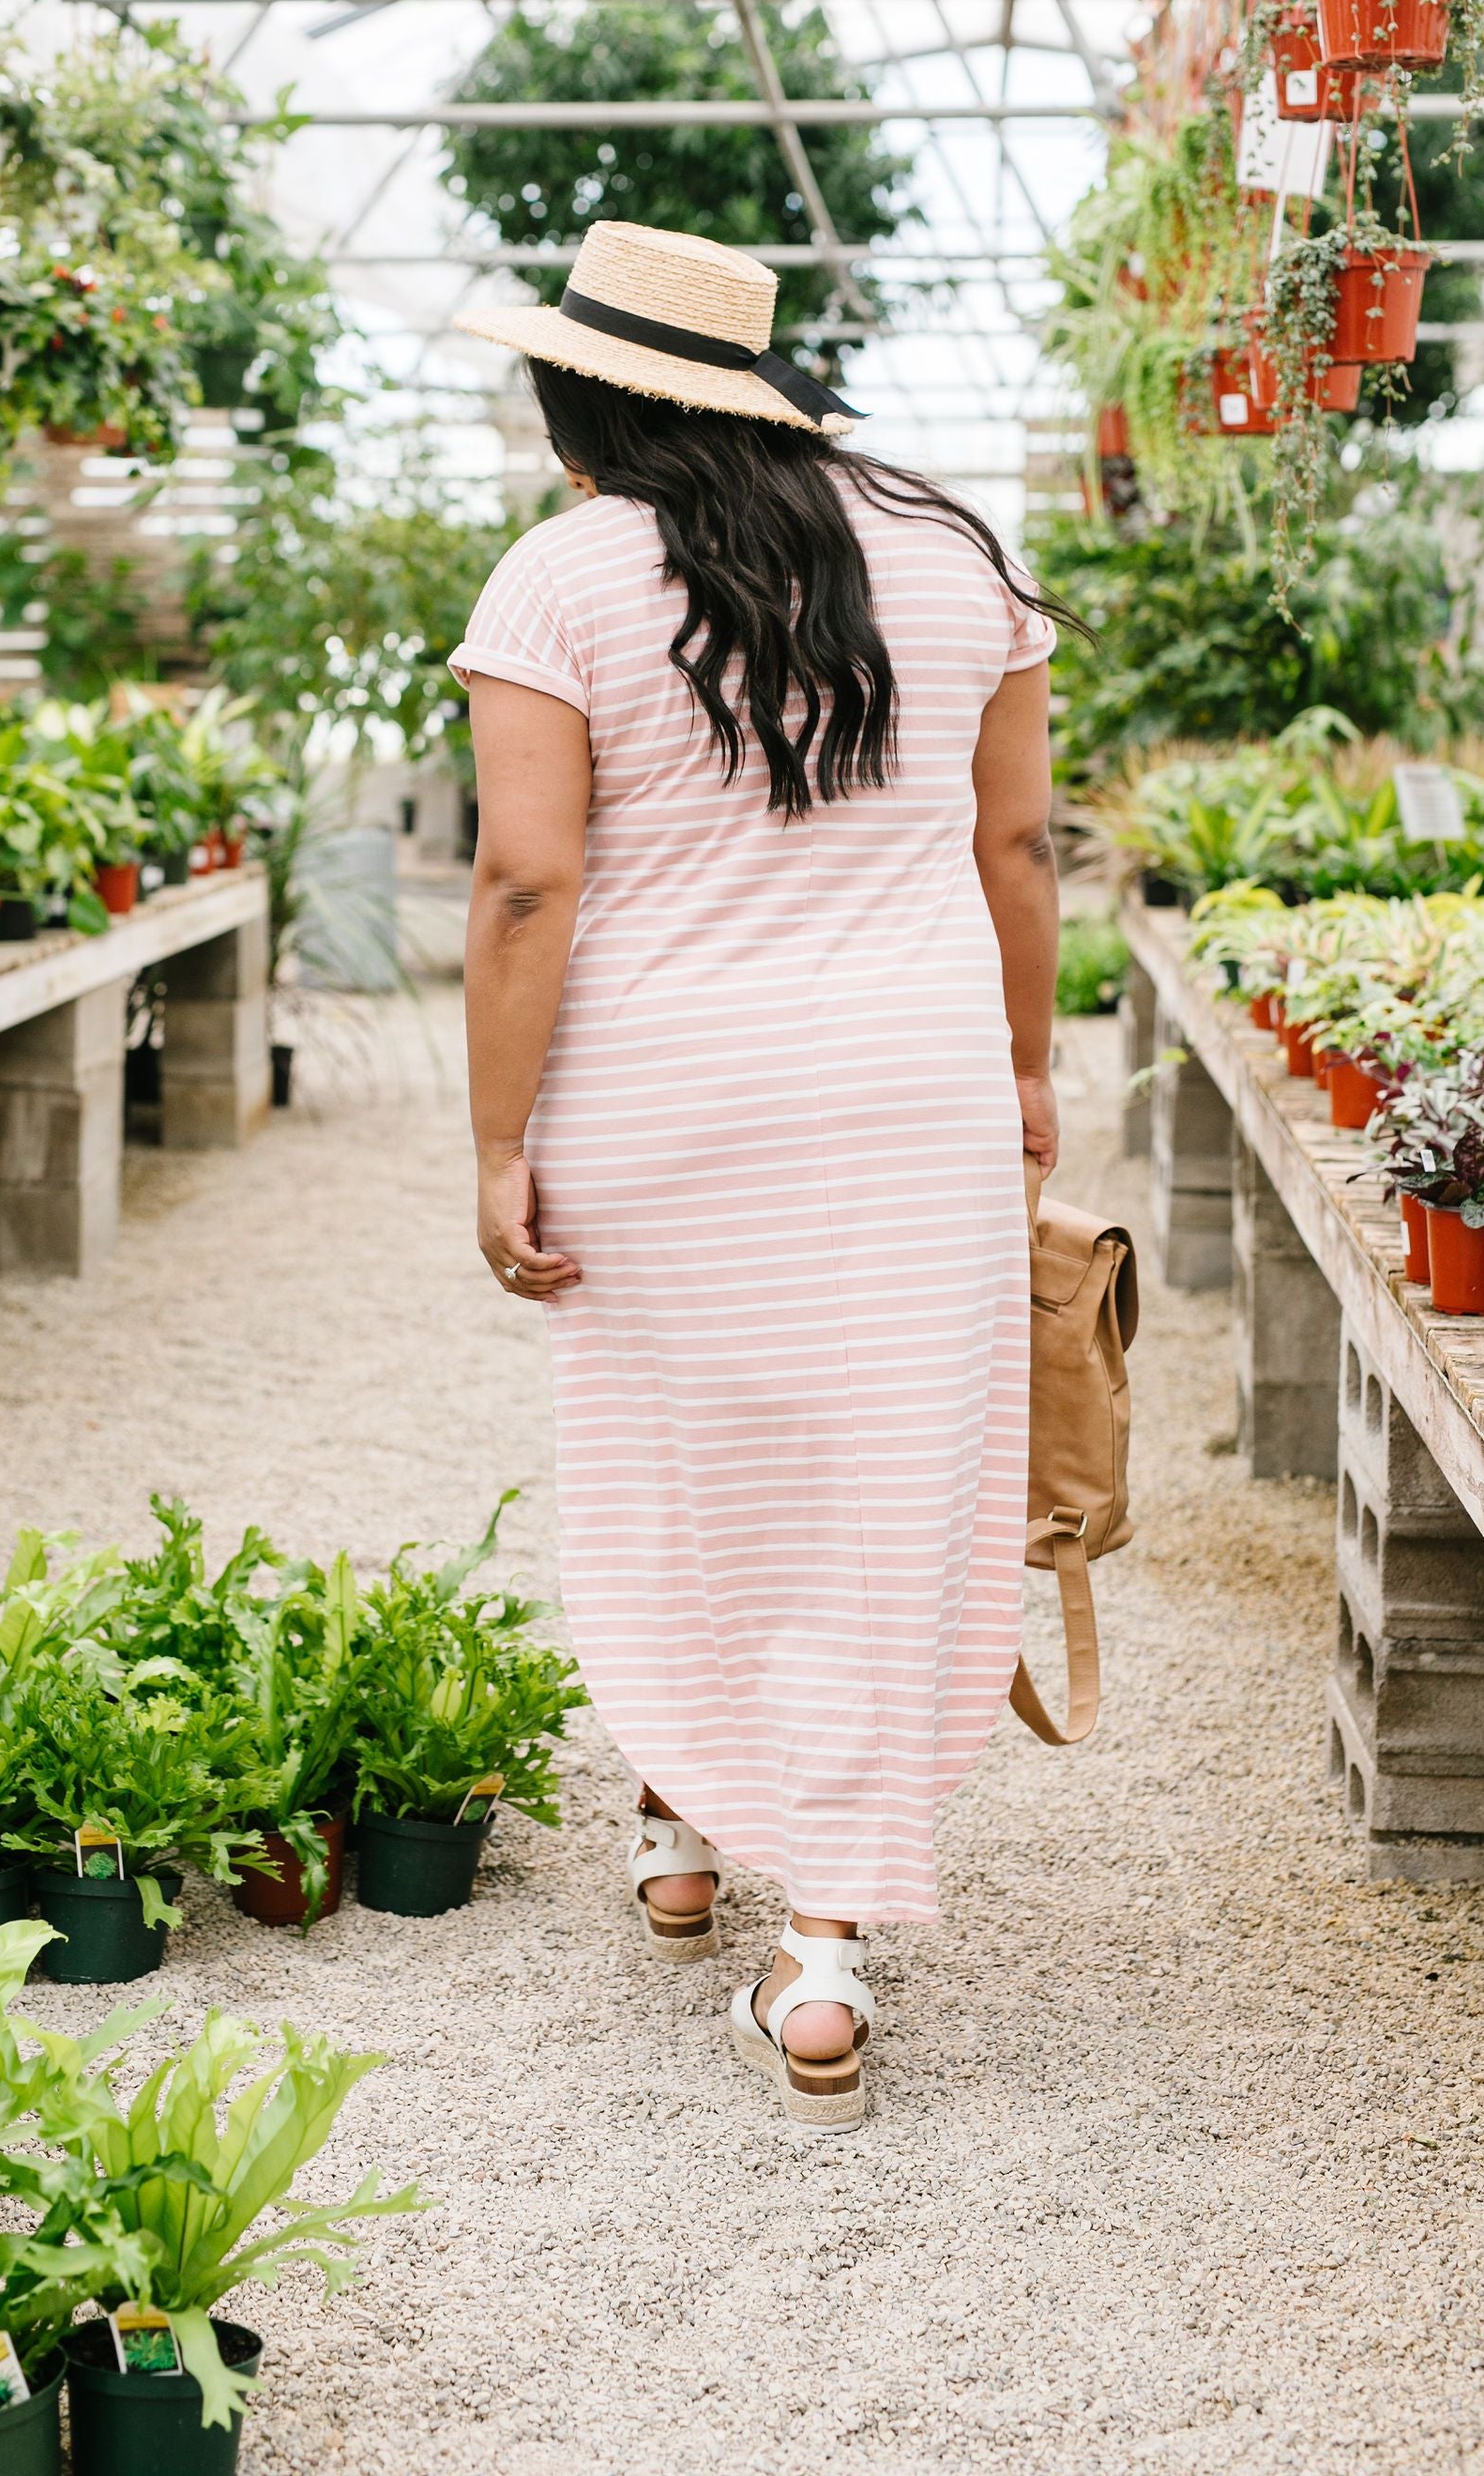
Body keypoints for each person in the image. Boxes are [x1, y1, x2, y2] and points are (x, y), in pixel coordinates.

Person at [449, 220, 1064, 2131]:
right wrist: (1032, 1073)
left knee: (687, 1459)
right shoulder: (956, 556)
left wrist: (492, 1140)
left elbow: (524, 886)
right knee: (887, 1484)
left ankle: (682, 1828)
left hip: (663, 1102)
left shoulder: (561, 578)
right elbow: (1021, 847)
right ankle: (822, 1955)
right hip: (913, 1103)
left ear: (587, 400)